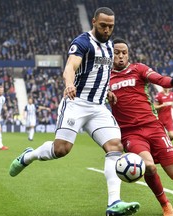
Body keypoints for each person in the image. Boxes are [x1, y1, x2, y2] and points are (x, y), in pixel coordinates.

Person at [9, 7, 140, 216]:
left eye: (111, 27)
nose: (107, 30)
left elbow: (100, 72)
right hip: (76, 102)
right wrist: (69, 83)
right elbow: (70, 66)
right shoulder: (82, 42)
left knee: (115, 146)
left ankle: (114, 203)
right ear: (94, 21)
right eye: (103, 25)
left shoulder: (109, 48)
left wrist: (106, 92)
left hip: (98, 108)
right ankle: (30, 155)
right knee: (61, 149)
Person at [109, 38, 173, 216]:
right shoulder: (105, 77)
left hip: (154, 127)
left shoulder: (139, 69)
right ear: (110, 55)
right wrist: (106, 94)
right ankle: (166, 206)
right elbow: (95, 97)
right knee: (149, 167)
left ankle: (154, 155)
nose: (121, 56)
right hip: (131, 133)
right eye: (116, 52)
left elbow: (160, 79)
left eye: (124, 52)